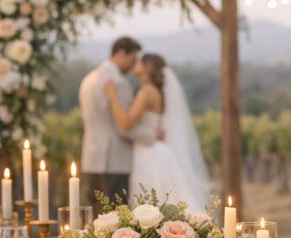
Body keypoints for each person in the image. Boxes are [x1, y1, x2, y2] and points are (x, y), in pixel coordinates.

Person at [103, 53, 210, 211]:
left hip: (149, 154)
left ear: (147, 68)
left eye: (140, 62)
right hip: (154, 150)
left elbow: (125, 123)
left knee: (151, 200)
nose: (136, 63)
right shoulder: (154, 91)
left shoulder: (146, 92)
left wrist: (112, 97)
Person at [79, 37, 159, 211]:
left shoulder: (88, 79)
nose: (133, 65)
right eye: (132, 59)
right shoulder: (119, 83)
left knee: (95, 218)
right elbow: (124, 128)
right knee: (115, 220)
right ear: (121, 54)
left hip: (90, 158)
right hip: (115, 160)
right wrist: (152, 135)